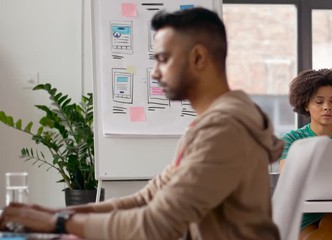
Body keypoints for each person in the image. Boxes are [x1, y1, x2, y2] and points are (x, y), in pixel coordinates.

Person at [0, 7, 284, 240]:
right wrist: (56, 215)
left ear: (198, 57)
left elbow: (157, 225)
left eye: (162, 59)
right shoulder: (213, 123)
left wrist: (58, 225)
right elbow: (147, 198)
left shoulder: (225, 130)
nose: (155, 73)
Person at [279, 68, 332, 240]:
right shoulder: (292, 139)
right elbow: (289, 177)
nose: (327, 107)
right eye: (319, 102)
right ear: (306, 105)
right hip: (303, 217)